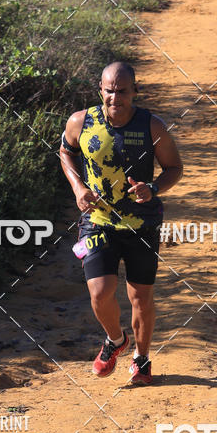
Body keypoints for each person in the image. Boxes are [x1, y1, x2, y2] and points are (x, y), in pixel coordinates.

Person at [59, 62, 183, 386]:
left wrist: (152, 188)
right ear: (100, 89)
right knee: (100, 292)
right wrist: (78, 188)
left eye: (122, 91)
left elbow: (173, 167)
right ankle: (116, 340)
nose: (115, 97)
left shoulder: (152, 126)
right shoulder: (80, 122)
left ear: (135, 92)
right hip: (97, 220)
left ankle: (141, 359)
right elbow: (65, 152)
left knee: (140, 296)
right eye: (109, 90)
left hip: (142, 223)